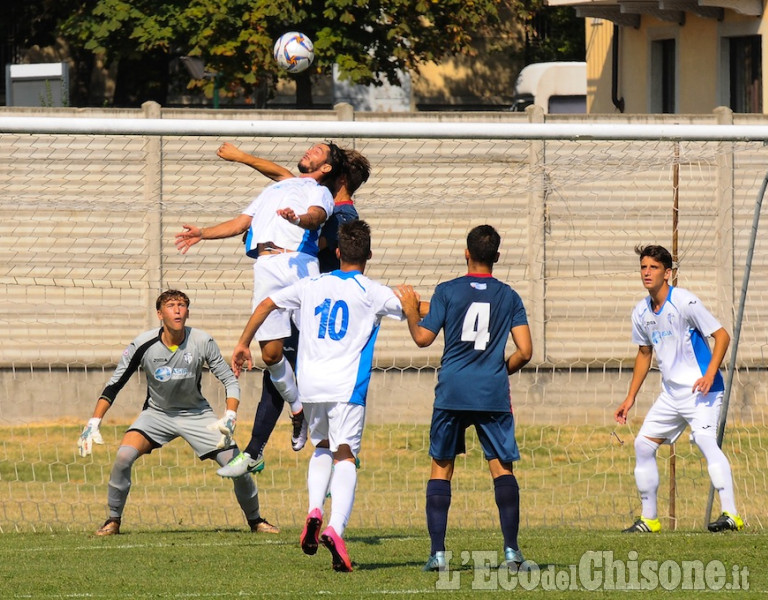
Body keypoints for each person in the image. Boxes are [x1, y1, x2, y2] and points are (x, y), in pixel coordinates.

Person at [228, 220, 405, 572]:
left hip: (309, 385)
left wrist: (243, 342)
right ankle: (336, 528)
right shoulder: (372, 290)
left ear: (337, 253)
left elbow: (266, 303)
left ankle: (313, 509)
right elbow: (416, 310)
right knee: (346, 455)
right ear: (369, 254)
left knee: (321, 445)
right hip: (346, 387)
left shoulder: (309, 284)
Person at [174, 142, 344, 455]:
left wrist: (297, 220)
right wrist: (203, 233)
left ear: (326, 168)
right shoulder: (275, 189)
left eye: (318, 150)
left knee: (316, 348)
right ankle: (297, 411)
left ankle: (334, 432)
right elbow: (241, 223)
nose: (309, 150)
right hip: (266, 267)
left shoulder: (317, 190)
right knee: (271, 355)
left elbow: (316, 217)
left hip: (300, 264)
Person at [214, 142, 370, 478]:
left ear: (334, 174)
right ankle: (282, 451)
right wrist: (242, 157)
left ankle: (325, 456)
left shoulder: (342, 215)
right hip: (300, 290)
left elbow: (317, 240)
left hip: (316, 299)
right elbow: (280, 175)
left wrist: (281, 233)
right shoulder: (310, 191)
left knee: (305, 379)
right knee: (278, 368)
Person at [76, 290, 278, 536]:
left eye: (182, 305)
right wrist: (94, 421)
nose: (178, 310)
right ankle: (113, 521)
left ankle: (256, 521)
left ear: (188, 312)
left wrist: (230, 415)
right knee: (123, 457)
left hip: (196, 415)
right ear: (160, 314)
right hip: (157, 415)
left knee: (237, 466)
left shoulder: (202, 341)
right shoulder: (142, 344)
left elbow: (230, 380)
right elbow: (114, 384)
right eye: (171, 305)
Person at [395, 225, 533, 572]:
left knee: (441, 467)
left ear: (466, 253)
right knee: (501, 468)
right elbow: (526, 351)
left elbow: (423, 339)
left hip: (452, 391)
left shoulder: (447, 291)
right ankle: (512, 553)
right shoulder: (510, 296)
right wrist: (501, 369)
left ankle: (438, 555)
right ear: (497, 257)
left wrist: (412, 311)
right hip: (491, 392)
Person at [615, 245, 744, 533]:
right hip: (671, 395)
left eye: (654, 268)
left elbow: (722, 335)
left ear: (668, 273)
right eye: (643, 267)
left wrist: (710, 374)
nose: (647, 272)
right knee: (643, 445)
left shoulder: (684, 301)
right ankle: (650, 520)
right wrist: (630, 398)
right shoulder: (641, 311)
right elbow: (644, 354)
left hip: (702, 391)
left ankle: (731, 515)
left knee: (705, 441)